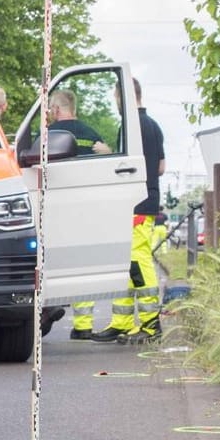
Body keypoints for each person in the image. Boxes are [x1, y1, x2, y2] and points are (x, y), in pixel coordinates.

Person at [89, 79, 165, 343]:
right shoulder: (153, 126)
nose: (115, 103)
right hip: (145, 199)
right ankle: (122, 322)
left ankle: (151, 323)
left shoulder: (133, 127)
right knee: (127, 262)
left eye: (115, 98)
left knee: (137, 260)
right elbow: (161, 167)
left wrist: (108, 153)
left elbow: (127, 164)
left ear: (125, 96)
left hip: (137, 202)